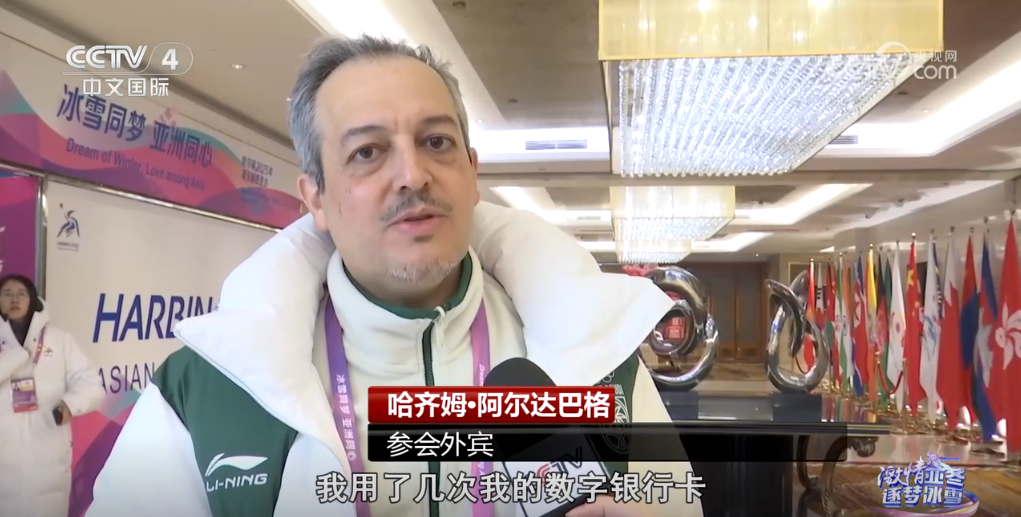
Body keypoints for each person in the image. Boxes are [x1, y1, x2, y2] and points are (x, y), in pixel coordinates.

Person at [87, 35, 702, 517]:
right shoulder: (208, 391)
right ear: (315, 197)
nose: (412, 175)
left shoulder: (595, 357)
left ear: (472, 173)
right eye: (367, 152)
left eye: (436, 142)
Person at [0, 274, 105, 517]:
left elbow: (91, 383)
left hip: (47, 453)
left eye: (21, 294)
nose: (14, 299)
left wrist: (70, 405)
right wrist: (17, 356)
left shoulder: (59, 339)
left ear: (32, 299)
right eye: (7, 294)